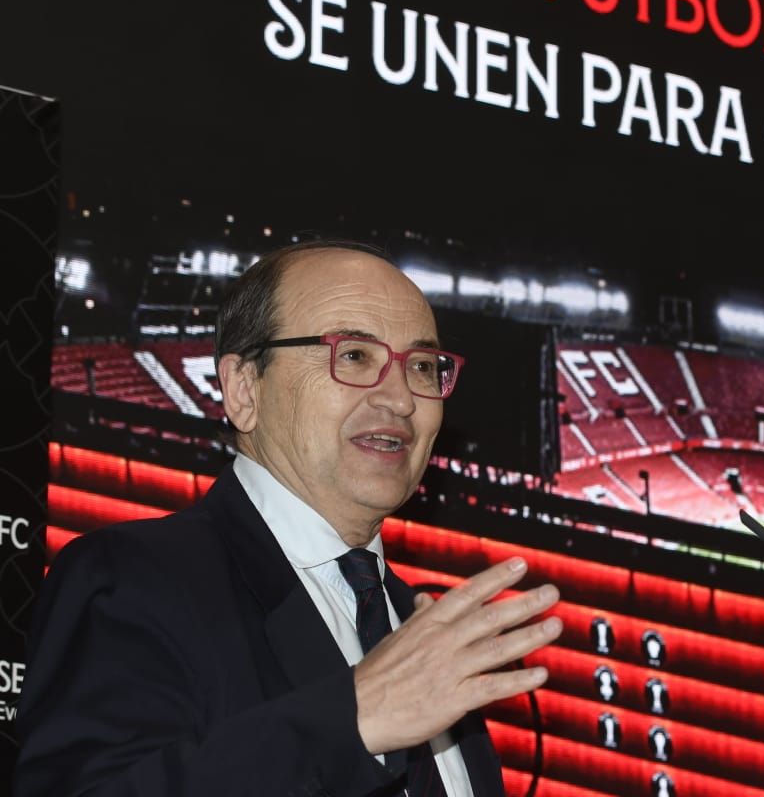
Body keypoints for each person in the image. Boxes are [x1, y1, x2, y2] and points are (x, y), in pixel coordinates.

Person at [15, 241, 562, 796]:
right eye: (353, 355)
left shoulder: (415, 628)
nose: (400, 399)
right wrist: (353, 721)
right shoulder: (128, 580)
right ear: (243, 389)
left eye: (422, 366)